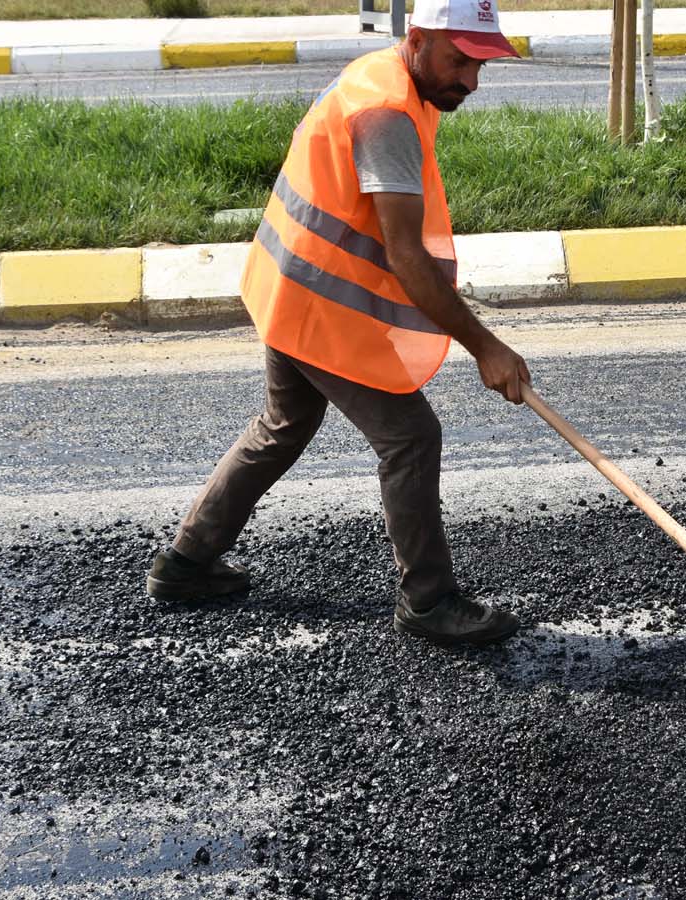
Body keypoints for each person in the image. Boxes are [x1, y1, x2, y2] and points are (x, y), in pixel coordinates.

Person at [145, 0, 529, 647]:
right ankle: (429, 601)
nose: (470, 80)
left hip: (288, 285)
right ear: (420, 38)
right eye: (459, 59)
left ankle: (185, 563)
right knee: (410, 437)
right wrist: (485, 347)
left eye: (480, 63)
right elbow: (406, 255)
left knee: (282, 425)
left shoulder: (382, 74)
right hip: (320, 305)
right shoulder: (386, 114)